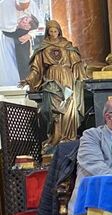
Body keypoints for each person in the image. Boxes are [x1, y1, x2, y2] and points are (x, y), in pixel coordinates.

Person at [19, 20, 87, 153]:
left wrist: (84, 72)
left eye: (56, 31)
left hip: (67, 78)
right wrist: (28, 80)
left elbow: (77, 64)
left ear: (59, 31)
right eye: (51, 31)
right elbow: (36, 69)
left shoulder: (67, 46)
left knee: (67, 107)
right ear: (47, 32)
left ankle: (68, 138)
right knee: (53, 110)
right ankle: (55, 138)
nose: (53, 34)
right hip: (51, 79)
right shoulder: (43, 48)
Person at [3, 13, 38, 79]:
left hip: (20, 63)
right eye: (25, 18)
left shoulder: (21, 33)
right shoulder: (19, 27)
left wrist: (30, 35)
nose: (24, 20)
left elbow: (6, 31)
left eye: (26, 20)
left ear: (27, 27)